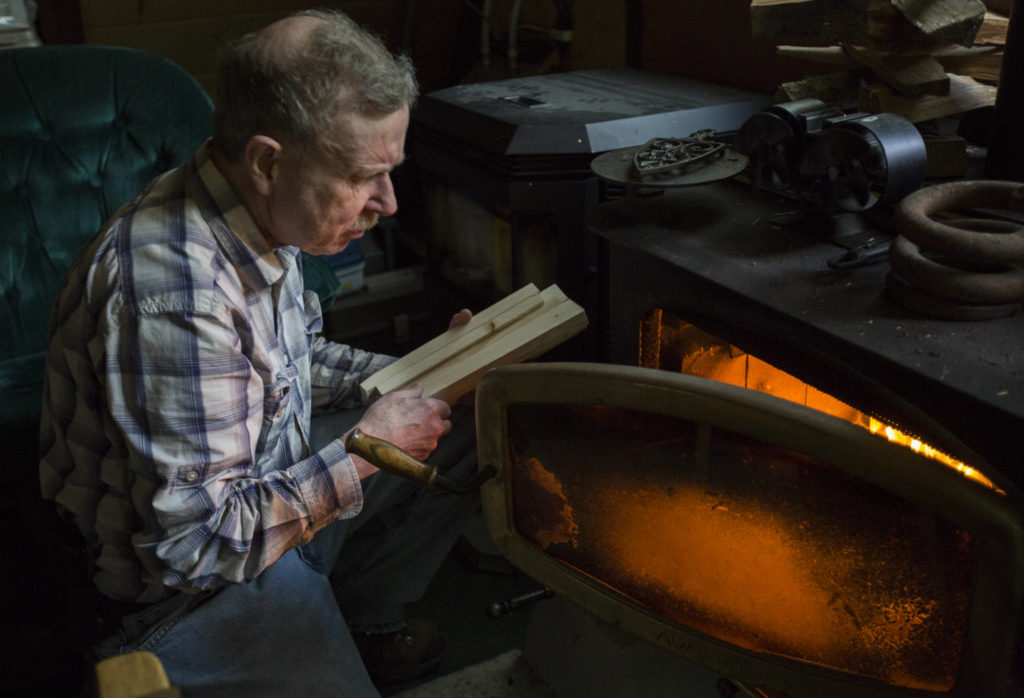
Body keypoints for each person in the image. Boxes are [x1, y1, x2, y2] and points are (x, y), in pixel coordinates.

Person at [39, 10, 481, 697]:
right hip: (184, 597)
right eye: (366, 177)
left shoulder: (259, 213)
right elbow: (196, 550)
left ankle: (362, 616)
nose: (389, 203)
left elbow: (297, 358)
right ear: (269, 162)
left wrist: (428, 373)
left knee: (465, 420)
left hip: (256, 497)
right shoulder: (175, 298)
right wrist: (367, 449)